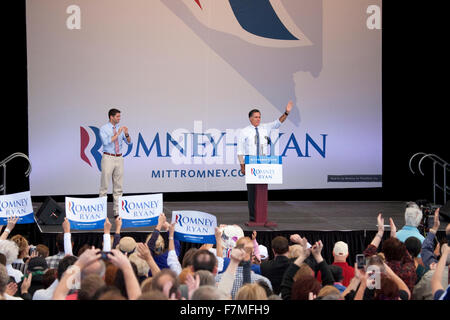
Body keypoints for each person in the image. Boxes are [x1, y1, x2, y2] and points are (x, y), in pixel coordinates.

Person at [237, 101, 293, 222]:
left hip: (263, 162)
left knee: (262, 189)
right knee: (252, 191)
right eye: (256, 117)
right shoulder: (244, 131)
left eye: (259, 117)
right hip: (250, 162)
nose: (258, 119)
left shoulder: (265, 128)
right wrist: (242, 166)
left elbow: (278, 122)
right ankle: (253, 217)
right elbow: (240, 150)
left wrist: (286, 112)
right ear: (250, 118)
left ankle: (262, 217)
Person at [99, 108, 132, 217]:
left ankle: (117, 212)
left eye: (119, 116)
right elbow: (106, 142)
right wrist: (117, 134)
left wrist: (126, 134)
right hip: (108, 157)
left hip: (119, 158)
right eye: (117, 116)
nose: (119, 118)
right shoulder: (104, 128)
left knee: (118, 186)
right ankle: (101, 211)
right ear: (111, 117)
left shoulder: (120, 128)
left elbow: (129, 143)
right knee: (104, 186)